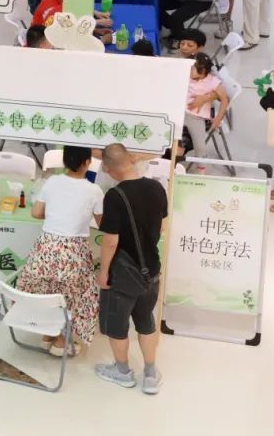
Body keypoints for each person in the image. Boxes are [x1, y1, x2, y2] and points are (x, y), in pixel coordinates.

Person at [95, 143, 167, 395]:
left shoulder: (114, 196)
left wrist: (104, 272)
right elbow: (162, 226)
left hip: (123, 273)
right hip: (151, 268)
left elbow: (110, 241)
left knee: (117, 324)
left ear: (107, 169)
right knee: (146, 320)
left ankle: (123, 371)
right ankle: (150, 373)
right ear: (132, 159)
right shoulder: (157, 188)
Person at [18, 146, 103, 355]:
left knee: (48, 290)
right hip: (73, 252)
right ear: (87, 162)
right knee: (76, 294)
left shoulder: (52, 181)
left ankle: (48, 334)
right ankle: (61, 340)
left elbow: (36, 212)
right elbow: (103, 224)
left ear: (64, 161)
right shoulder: (94, 190)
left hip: (46, 248)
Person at [184, 52, 229, 158]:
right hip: (180, 113)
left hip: (196, 118)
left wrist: (218, 119)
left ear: (203, 71)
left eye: (191, 68)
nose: (188, 69)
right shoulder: (186, 75)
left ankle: (201, 164)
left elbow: (225, 99)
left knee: (200, 147)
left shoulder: (213, 81)